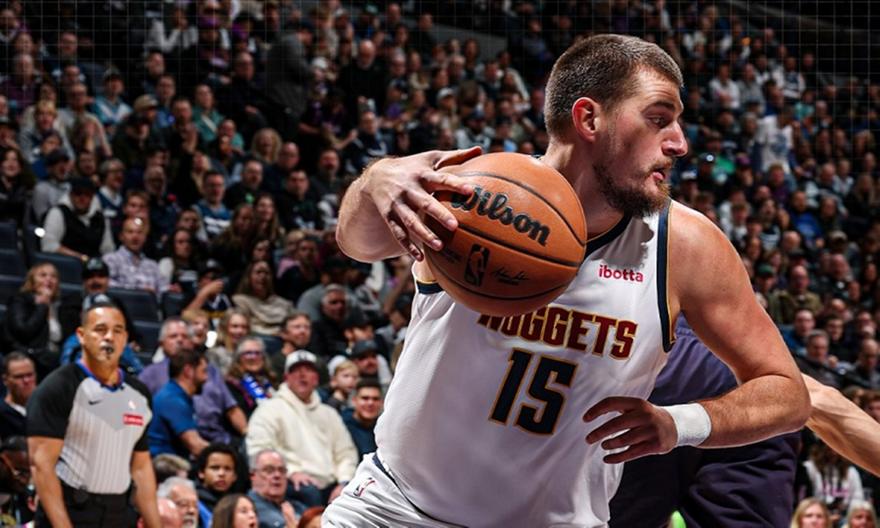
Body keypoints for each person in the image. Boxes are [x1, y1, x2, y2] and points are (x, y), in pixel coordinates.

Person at [325, 34, 810, 526]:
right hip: (393, 510)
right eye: (658, 118)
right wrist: (376, 180)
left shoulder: (685, 245)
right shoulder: (473, 191)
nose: (679, 144)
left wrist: (679, 422)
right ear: (589, 119)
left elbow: (787, 393)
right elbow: (357, 243)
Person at [26, 302, 160, 527]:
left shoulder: (139, 394)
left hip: (119, 514)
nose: (109, 337)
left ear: (125, 339)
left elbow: (141, 468)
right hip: (71, 511)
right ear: (81, 335)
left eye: (117, 331)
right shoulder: (58, 387)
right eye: (100, 329)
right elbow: (42, 467)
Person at [246, 351, 357, 508]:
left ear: (316, 379)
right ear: (287, 377)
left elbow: (346, 453)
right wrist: (291, 472)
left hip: (331, 485)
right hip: (293, 484)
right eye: (296, 370)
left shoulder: (329, 414)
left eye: (308, 370)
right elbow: (260, 451)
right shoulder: (269, 410)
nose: (302, 375)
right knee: (309, 492)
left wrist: (344, 481)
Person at [147, 347, 211, 458]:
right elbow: (195, 445)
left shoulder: (177, 396)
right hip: (163, 463)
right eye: (203, 371)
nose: (207, 378)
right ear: (188, 371)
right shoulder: (172, 400)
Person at [4, 263, 62, 380]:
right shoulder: (20, 300)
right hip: (31, 360)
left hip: (53, 362)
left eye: (53, 276)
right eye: (43, 275)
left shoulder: (60, 306)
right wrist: (42, 306)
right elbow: (24, 331)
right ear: (32, 280)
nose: (49, 279)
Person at [247, 449, 300, 528]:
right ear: (252, 476)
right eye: (269, 470)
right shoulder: (247, 507)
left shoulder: (298, 506)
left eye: (282, 470)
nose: (277, 475)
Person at [225, 337, 276, 417]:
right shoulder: (231, 384)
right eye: (248, 353)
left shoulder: (271, 380)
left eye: (257, 353)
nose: (253, 357)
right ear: (238, 358)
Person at [195, 443, 240, 526]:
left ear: (234, 476)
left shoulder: (240, 506)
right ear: (201, 473)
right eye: (215, 468)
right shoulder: (193, 504)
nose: (221, 474)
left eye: (227, 469)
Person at [342, 380, 382, 459]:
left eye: (375, 399)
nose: (370, 403)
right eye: (365, 398)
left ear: (382, 403)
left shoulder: (385, 429)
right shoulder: (340, 425)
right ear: (354, 401)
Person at [0, 353, 35, 439]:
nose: (26, 380)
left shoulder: (46, 407)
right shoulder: (2, 415)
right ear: (5, 380)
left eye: (30, 375)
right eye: (19, 377)